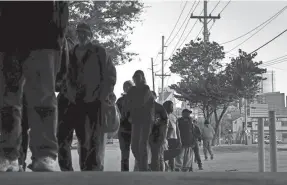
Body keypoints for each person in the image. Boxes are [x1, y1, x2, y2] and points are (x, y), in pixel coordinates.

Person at [0, 1, 69, 172]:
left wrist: (59, 31)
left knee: (43, 97)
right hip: (7, 32)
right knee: (7, 99)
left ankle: (45, 155)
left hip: (44, 32)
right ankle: (8, 156)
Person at [57, 22, 116, 171]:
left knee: (89, 140)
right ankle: (67, 171)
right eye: (79, 32)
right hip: (72, 101)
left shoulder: (100, 52)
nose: (81, 35)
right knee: (63, 137)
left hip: (93, 102)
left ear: (91, 35)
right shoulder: (70, 53)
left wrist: (102, 96)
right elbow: (63, 76)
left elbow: (110, 76)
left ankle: (88, 172)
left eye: (85, 33)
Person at [126, 70, 154, 171]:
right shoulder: (132, 90)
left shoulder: (146, 89)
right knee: (134, 146)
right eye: (135, 77)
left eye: (139, 76)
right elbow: (127, 102)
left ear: (142, 78)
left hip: (146, 120)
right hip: (136, 120)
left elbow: (141, 102)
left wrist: (132, 104)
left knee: (142, 144)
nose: (137, 78)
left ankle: (144, 168)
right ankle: (144, 165)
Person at [149, 91, 168, 171]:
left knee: (156, 155)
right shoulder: (143, 107)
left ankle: (156, 173)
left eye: (152, 96)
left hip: (157, 135)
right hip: (146, 135)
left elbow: (165, 122)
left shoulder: (160, 108)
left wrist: (163, 136)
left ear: (155, 97)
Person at [116, 81, 133, 171]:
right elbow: (116, 115)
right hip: (124, 130)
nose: (127, 89)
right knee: (125, 155)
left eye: (129, 87)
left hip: (134, 130)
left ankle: (137, 173)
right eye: (125, 87)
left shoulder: (137, 100)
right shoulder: (120, 100)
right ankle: (125, 174)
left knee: (138, 154)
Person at [163, 100, 181, 172]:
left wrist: (179, 139)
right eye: (171, 106)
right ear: (166, 107)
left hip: (174, 139)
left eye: (172, 106)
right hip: (167, 139)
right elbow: (170, 128)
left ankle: (172, 169)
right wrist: (166, 138)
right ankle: (166, 169)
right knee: (165, 156)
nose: (172, 108)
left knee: (172, 156)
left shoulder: (174, 116)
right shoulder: (163, 116)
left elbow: (177, 129)